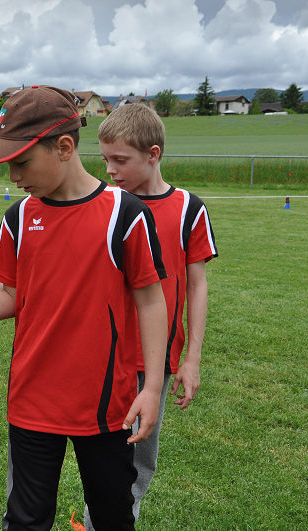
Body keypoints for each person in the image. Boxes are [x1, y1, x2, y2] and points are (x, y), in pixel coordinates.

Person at [0, 86, 168, 531]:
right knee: (25, 520)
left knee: (112, 516)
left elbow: (152, 301)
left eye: (21, 162)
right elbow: (12, 296)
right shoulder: (19, 218)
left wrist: (151, 388)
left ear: (64, 147)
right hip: (32, 401)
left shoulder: (126, 213)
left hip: (106, 406)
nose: (14, 176)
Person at [81, 103, 219, 528]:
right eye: (105, 160)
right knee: (102, 463)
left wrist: (192, 358)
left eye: (120, 160)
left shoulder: (188, 208)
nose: (110, 170)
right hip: (103, 358)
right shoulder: (105, 205)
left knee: (138, 465)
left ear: (153, 154)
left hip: (152, 364)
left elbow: (196, 285)